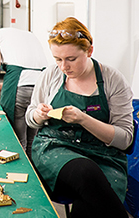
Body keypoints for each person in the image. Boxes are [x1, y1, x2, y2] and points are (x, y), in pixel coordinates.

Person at [25, 17, 133, 218]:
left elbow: (125, 140)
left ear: (89, 51)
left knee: (90, 202)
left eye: (71, 59)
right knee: (86, 172)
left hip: (104, 155)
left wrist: (84, 119)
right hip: (55, 148)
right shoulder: (51, 75)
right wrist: (39, 115)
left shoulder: (112, 79)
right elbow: (30, 118)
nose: (63, 67)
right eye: (57, 59)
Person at [0, 28, 48, 158]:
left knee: (18, 139)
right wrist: (4, 86)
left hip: (20, 86)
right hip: (41, 86)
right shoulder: (28, 34)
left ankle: (22, 171)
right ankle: (35, 173)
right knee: (33, 139)